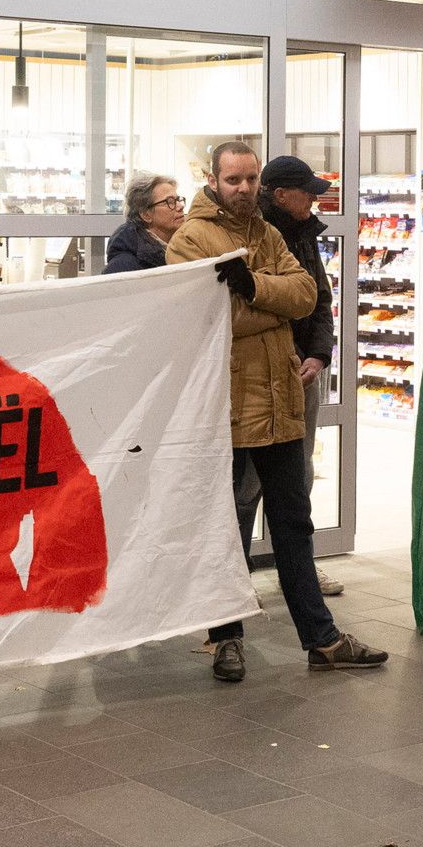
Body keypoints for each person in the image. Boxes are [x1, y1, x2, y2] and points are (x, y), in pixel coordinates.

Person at [166, 141, 385, 682]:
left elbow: (306, 295)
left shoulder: (267, 235)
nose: (243, 189)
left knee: (294, 524)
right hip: (228, 406)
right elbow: (212, 320)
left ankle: (323, 639)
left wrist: (254, 287)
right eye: (233, 179)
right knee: (227, 528)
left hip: (280, 405)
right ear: (213, 180)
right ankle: (226, 640)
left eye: (250, 179)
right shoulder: (191, 239)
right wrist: (273, 305)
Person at [236, 155, 344, 596]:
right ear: (280, 194)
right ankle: (235, 576)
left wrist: (318, 355)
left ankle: (296, 570)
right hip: (259, 375)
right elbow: (257, 304)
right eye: (309, 192)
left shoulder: (304, 235)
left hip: (303, 372)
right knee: (248, 483)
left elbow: (317, 298)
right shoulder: (256, 237)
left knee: (298, 476)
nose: (316, 201)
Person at [106, 174, 183, 272]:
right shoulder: (123, 266)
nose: (180, 206)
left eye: (178, 200)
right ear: (146, 214)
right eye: (170, 201)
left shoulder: (181, 248)